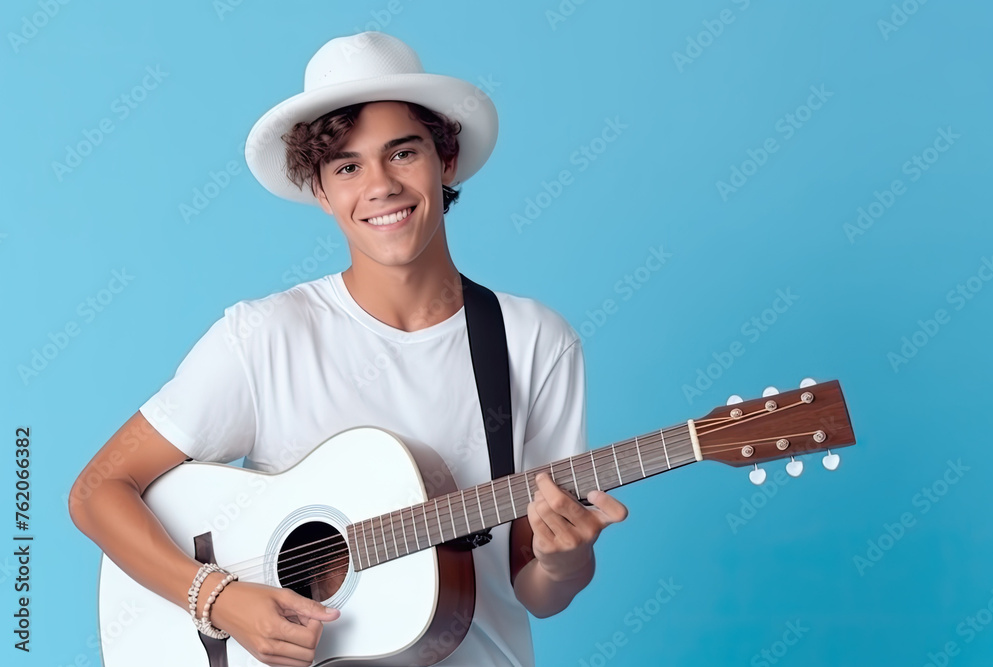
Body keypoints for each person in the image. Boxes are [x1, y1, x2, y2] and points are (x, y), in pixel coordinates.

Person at [69, 31, 627, 667]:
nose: (380, 185)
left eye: (403, 153)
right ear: (321, 190)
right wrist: (217, 598)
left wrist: (566, 561)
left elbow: (539, 592)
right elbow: (95, 492)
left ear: (446, 161)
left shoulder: (532, 341)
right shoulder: (265, 337)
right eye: (347, 166)